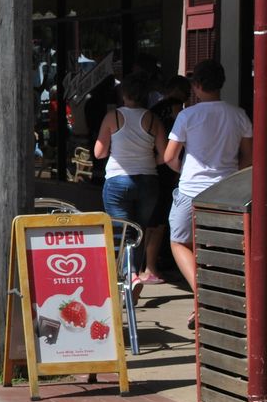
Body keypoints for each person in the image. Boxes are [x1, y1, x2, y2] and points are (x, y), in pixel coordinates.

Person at [164, 60, 252, 329]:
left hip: (191, 190)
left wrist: (183, 171)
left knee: (179, 242)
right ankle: (220, 302)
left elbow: (169, 156)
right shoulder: (238, 115)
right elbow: (247, 159)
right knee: (219, 247)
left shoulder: (187, 115)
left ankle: (200, 294)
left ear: (197, 85)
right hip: (226, 192)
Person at [93, 74, 166, 285]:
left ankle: (129, 276)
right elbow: (164, 155)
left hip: (117, 180)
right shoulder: (153, 119)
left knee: (121, 231)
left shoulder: (112, 116)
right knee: (139, 231)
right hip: (148, 180)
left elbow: (98, 153)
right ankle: (133, 274)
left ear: (124, 94)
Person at [141, 75, 192, 284]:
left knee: (151, 219)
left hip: (150, 166)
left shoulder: (152, 111)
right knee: (160, 221)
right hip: (169, 167)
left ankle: (146, 265)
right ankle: (151, 267)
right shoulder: (177, 110)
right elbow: (177, 143)